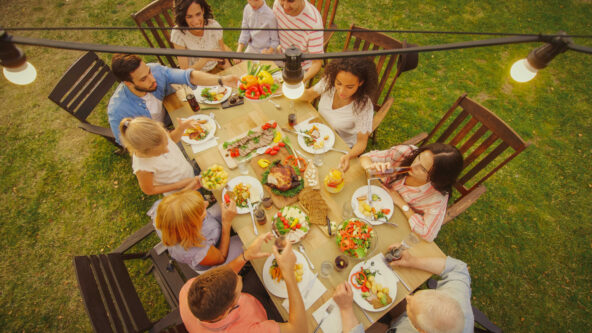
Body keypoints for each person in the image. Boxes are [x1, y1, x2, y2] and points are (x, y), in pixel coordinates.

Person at [179, 233, 307, 332]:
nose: (240, 277)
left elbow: (224, 273)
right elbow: (299, 330)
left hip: (252, 300)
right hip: (264, 318)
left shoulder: (188, 289)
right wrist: (288, 273)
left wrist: (246, 256)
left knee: (260, 270)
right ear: (227, 310)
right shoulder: (246, 330)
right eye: (237, 288)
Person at [108, 53, 238, 145]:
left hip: (171, 116)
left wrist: (221, 80)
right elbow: (126, 141)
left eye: (148, 72)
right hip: (156, 141)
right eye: (144, 79)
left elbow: (188, 76)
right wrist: (165, 135)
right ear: (128, 83)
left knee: (224, 120)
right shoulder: (118, 110)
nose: (153, 79)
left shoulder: (156, 70)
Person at [333, 250, 473, 333]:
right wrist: (412, 261)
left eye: (411, 308)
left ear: (421, 330)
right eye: (415, 296)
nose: (408, 298)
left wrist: (346, 308)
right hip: (399, 322)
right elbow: (459, 269)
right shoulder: (458, 301)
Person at [359, 143, 463, 242]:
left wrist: (402, 203)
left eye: (423, 169)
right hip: (367, 196)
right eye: (419, 158)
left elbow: (428, 234)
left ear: (437, 179)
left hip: (391, 223)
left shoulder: (436, 197)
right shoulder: (405, 153)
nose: (414, 166)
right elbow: (365, 158)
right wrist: (371, 168)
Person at [300, 57, 378, 172]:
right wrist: (291, 89)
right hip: (317, 135)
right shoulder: (328, 82)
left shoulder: (363, 106)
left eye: (349, 87)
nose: (341, 91)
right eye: (339, 83)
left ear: (360, 83)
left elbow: (362, 142)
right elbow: (308, 95)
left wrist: (349, 156)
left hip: (340, 148)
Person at [154, 190, 244, 272]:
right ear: (193, 224)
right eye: (201, 210)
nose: (207, 203)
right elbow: (221, 257)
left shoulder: (165, 211)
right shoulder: (197, 250)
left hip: (212, 227)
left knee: (226, 204)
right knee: (245, 242)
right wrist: (226, 223)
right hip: (215, 258)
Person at [119, 117, 201, 196]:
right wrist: (178, 185)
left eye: (167, 144)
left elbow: (172, 139)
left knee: (198, 189)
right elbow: (149, 190)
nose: (167, 151)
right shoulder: (143, 167)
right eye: (160, 152)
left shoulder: (159, 135)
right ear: (146, 152)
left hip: (187, 173)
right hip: (179, 191)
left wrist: (181, 128)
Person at [172, 0, 232, 72]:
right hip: (197, 77)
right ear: (183, 17)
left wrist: (231, 72)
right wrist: (205, 59)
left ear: (203, 10)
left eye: (198, 14)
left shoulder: (213, 26)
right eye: (189, 17)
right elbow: (185, 73)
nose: (196, 21)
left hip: (218, 71)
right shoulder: (178, 34)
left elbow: (224, 60)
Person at [273, 0, 323, 83]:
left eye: (291, 1)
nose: (285, 6)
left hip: (300, 69)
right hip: (279, 57)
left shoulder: (314, 23)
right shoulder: (277, 4)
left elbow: (316, 63)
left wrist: (298, 82)